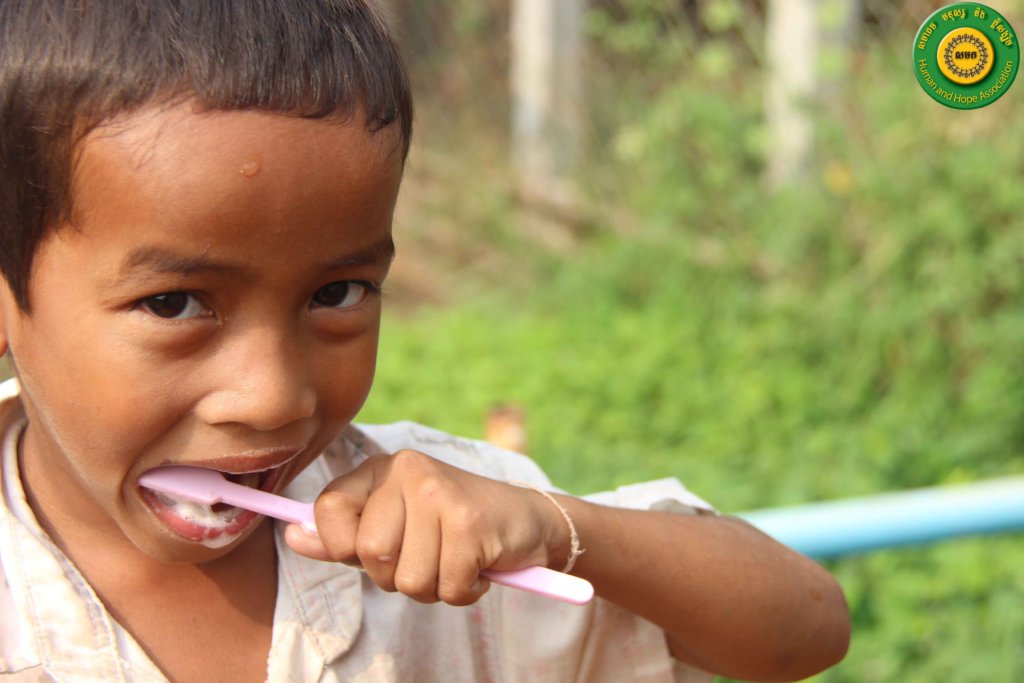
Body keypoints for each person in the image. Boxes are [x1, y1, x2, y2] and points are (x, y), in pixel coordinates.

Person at [0, 2, 850, 681]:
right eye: (177, 303)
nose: (273, 396)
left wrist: (558, 528)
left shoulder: (463, 531)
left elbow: (804, 632)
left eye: (335, 293)